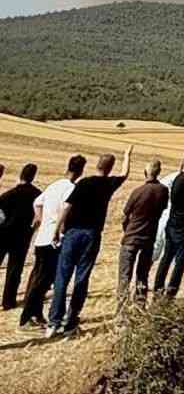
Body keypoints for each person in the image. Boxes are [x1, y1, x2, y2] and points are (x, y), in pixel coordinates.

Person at [48, 144, 132, 337]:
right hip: (92, 235)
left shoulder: (84, 183)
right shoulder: (108, 185)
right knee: (82, 277)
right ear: (110, 168)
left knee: (62, 276)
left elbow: (67, 207)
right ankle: (70, 323)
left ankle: (54, 321)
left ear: (97, 165)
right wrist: (127, 155)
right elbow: (125, 173)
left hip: (73, 233)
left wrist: (56, 229)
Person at [18, 156, 82, 329]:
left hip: (42, 237)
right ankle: (27, 317)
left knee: (37, 278)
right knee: (43, 282)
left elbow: (37, 202)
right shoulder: (71, 188)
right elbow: (66, 211)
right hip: (54, 240)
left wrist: (39, 219)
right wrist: (59, 229)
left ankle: (35, 314)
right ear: (80, 171)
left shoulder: (54, 185)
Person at [116, 160, 168, 312]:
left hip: (131, 237)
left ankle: (121, 310)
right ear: (159, 172)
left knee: (124, 277)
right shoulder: (163, 191)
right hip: (149, 238)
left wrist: (126, 230)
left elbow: (124, 216)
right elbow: (162, 209)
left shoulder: (137, 191)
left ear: (145, 173)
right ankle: (140, 306)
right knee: (142, 275)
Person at [152, 152, 184, 298]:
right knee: (180, 261)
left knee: (166, 257)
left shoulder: (177, 178)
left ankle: (158, 289)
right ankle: (171, 292)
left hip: (171, 222)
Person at [0, 164, 41, 311]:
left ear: (20, 175)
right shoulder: (37, 195)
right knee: (14, 270)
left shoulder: (9, 194)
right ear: (33, 176)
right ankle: (8, 301)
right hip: (22, 237)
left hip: (3, 234)